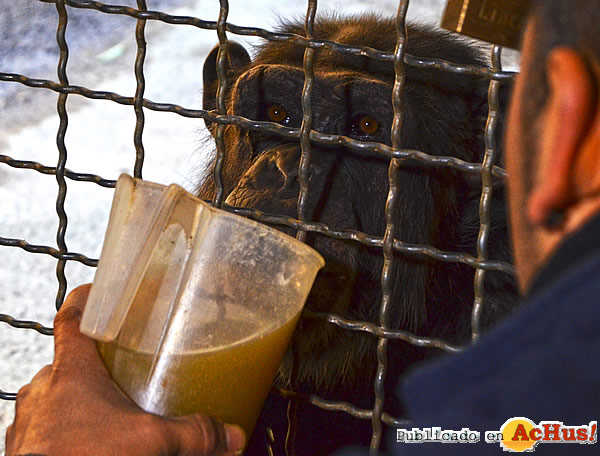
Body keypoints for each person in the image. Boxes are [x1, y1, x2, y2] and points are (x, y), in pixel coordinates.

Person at [5, 0, 600, 454]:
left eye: (365, 129)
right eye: (276, 115)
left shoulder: (515, 354)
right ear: (221, 113)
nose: (278, 173)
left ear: (479, 168)